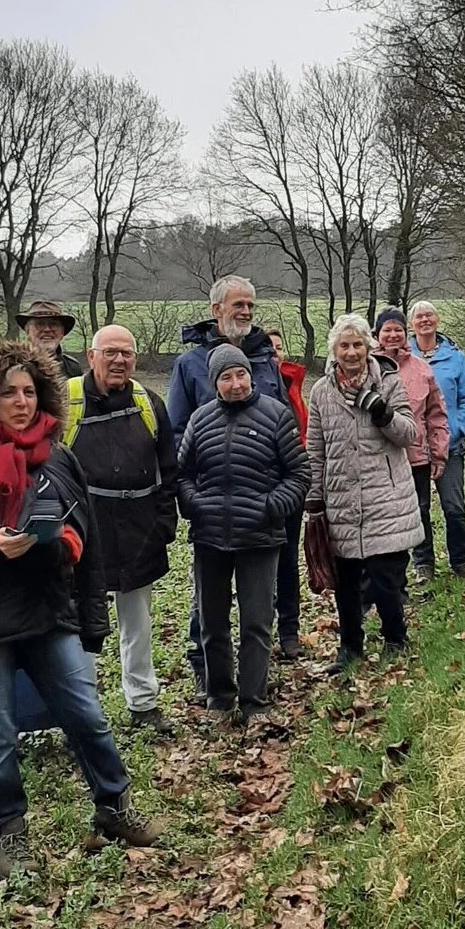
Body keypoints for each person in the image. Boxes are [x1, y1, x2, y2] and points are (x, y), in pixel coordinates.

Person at [0, 340, 156, 876]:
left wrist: (88, 611)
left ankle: (114, 809)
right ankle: (5, 834)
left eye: (29, 391)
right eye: (8, 393)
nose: (21, 402)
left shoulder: (61, 460)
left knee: (88, 717)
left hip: (48, 611)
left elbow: (90, 545)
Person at [167, 276, 288, 697]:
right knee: (210, 610)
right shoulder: (190, 365)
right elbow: (177, 436)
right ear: (216, 309)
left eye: (251, 305)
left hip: (261, 516)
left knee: (261, 610)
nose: (247, 312)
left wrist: (274, 502)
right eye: (239, 304)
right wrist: (197, 502)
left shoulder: (265, 360)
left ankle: (258, 685)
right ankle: (209, 675)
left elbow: (287, 436)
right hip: (212, 517)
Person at [177, 346, 310, 724]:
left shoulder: (276, 416)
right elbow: (183, 475)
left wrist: (270, 506)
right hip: (210, 539)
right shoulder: (200, 420)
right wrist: (196, 505)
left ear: (250, 376)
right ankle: (220, 698)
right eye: (226, 377)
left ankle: (254, 701)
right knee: (212, 622)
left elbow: (299, 475)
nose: (235, 384)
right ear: (214, 382)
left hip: (260, 539)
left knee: (256, 622)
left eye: (240, 375)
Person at [65, 325, 178, 735]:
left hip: (140, 530)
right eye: (110, 352)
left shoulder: (150, 404)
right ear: (91, 356)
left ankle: (143, 703)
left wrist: (166, 522)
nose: (119, 361)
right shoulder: (66, 402)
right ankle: (83, 710)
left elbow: (170, 468)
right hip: (83, 534)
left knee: (139, 623)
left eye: (127, 354)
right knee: (81, 625)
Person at [307, 314, 423, 674]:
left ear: (368, 346)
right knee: (346, 583)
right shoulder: (321, 392)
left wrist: (382, 412)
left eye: (358, 344)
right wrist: (314, 496)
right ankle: (351, 647)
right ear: (334, 351)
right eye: (344, 345)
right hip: (341, 497)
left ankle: (395, 639)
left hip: (384, 496)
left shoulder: (388, 381)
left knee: (385, 577)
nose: (352, 352)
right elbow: (315, 447)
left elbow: (409, 435)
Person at [372, 308, 449, 583]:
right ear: (377, 334)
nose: (393, 335)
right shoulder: (368, 367)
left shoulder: (421, 368)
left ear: (406, 334)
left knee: (420, 510)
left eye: (398, 330)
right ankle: (391, 572)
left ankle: (424, 564)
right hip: (380, 458)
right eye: (387, 330)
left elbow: (436, 414)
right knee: (385, 515)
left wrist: (438, 454)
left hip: (416, 456)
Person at [408, 301, 465, 576]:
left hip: (450, 446)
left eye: (429, 315)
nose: (425, 320)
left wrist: (456, 429)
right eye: (419, 316)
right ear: (412, 324)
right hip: (415, 449)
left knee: (454, 506)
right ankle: (423, 564)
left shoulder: (455, 357)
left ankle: (460, 560)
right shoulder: (402, 357)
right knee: (419, 508)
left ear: (437, 320)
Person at [265, 329, 307, 660]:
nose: (275, 354)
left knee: (289, 559)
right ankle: (261, 630)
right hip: (260, 486)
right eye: (269, 348)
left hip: (292, 483)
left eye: (279, 348)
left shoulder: (292, 384)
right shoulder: (253, 387)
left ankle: (289, 629)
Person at [17, 300, 82, 379]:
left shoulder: (72, 368)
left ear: (62, 333)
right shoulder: (15, 364)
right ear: (27, 331)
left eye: (53, 324)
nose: (47, 329)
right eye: (40, 324)